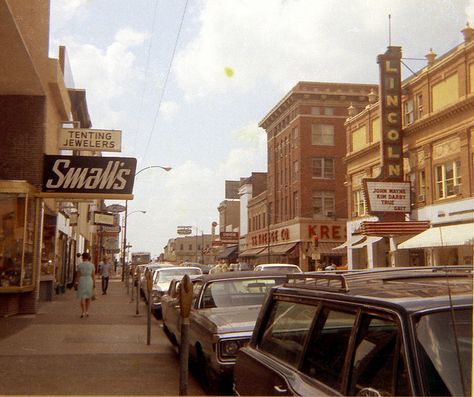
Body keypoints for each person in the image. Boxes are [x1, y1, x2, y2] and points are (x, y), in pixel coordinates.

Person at [74, 252, 96, 318]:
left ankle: (83, 312)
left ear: (82, 257)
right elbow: (93, 275)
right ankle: (87, 311)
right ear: (88, 257)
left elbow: (78, 275)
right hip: (89, 280)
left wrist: (76, 282)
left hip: (82, 280)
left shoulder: (80, 265)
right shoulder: (92, 265)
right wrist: (94, 283)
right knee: (88, 297)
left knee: (82, 297)